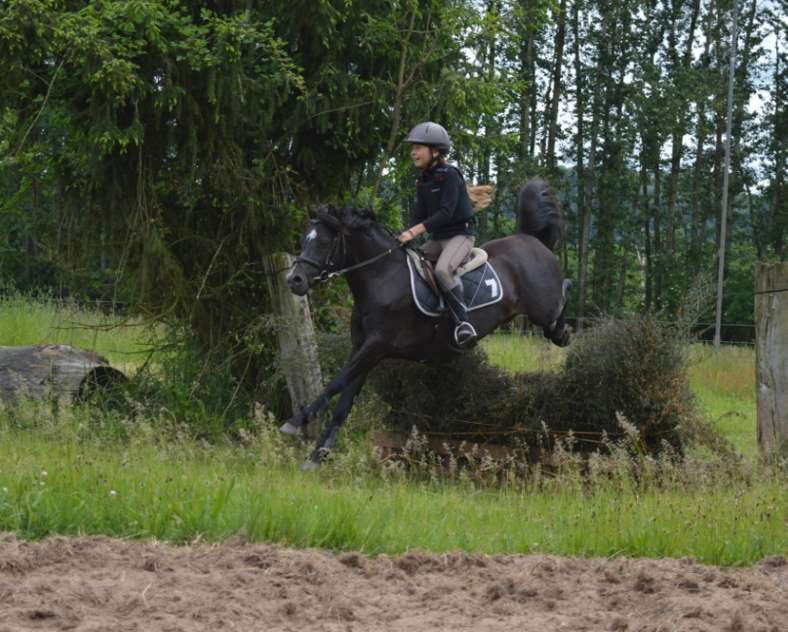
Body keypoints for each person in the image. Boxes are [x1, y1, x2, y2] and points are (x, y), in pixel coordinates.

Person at [397, 121, 477, 348]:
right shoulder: (423, 180)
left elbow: (445, 213)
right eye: (412, 148)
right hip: (437, 239)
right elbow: (418, 214)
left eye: (418, 147)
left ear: (435, 151)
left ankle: (463, 324)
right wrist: (404, 234)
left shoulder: (451, 175)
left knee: (442, 271)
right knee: (410, 262)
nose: (413, 152)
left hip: (460, 236)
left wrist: (414, 231)